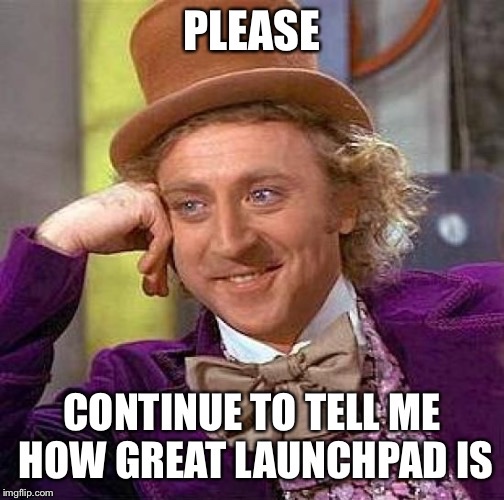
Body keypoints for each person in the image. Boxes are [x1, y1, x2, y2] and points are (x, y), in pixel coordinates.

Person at [1, 0, 503, 498]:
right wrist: (57, 243)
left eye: (263, 195)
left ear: (345, 201)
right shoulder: (129, 403)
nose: (231, 241)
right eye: (191, 205)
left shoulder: (489, 316)